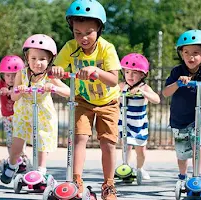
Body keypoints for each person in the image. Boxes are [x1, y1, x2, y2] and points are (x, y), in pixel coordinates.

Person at [50, 0, 121, 199]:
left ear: (99, 28)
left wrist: (96, 71)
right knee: (79, 138)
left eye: (88, 32)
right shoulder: (70, 47)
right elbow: (55, 70)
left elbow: (114, 80)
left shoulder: (107, 48)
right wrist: (55, 70)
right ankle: (76, 180)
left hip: (108, 102)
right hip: (82, 100)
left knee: (108, 142)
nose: (83, 38)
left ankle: (108, 185)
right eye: (77, 33)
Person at [0, 34, 70, 184]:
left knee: (42, 139)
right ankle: (12, 163)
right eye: (33, 58)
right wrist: (18, 90)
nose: (37, 63)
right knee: (17, 143)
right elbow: (13, 97)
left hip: (43, 113)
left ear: (50, 60)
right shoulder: (22, 73)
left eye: (42, 59)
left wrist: (53, 87)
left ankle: (41, 170)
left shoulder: (49, 75)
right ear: (27, 58)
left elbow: (69, 92)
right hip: (24, 114)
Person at [162, 30, 201, 182]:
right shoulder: (177, 71)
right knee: (182, 152)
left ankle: (197, 176)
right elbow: (165, 93)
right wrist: (177, 83)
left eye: (196, 53)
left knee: (198, 143)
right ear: (181, 54)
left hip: (200, 117)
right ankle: (183, 176)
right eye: (186, 52)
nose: (191, 56)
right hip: (179, 118)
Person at [119, 53, 160, 182]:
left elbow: (157, 99)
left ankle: (140, 168)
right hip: (124, 122)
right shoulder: (121, 86)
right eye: (127, 72)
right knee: (126, 146)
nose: (130, 76)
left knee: (140, 150)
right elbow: (111, 96)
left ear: (142, 75)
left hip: (139, 124)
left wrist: (144, 93)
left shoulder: (144, 87)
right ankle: (126, 167)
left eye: (134, 73)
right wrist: (118, 96)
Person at [0, 55, 28, 173]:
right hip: (7, 117)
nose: (11, 78)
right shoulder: (0, 84)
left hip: (20, 116)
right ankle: (13, 159)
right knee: (10, 139)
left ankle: (22, 157)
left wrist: (12, 91)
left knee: (20, 138)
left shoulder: (21, 83)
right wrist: (0, 92)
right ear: (2, 75)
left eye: (14, 75)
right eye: (8, 75)